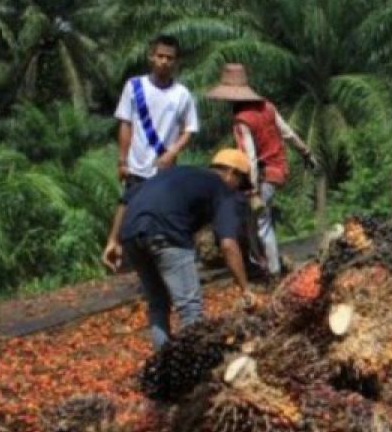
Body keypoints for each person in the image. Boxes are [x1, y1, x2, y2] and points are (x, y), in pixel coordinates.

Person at [101, 150, 255, 349]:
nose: (239, 191)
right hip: (167, 233)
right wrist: (245, 289)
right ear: (232, 173)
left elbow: (126, 199)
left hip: (131, 233)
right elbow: (228, 244)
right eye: (241, 184)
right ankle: (196, 369)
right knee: (190, 308)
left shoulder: (179, 172)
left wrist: (113, 240)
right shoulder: (222, 189)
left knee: (158, 303)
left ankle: (163, 365)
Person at [206, 63, 318, 277]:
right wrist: (306, 152)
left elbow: (250, 157)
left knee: (260, 225)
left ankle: (271, 272)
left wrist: (252, 188)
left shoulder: (241, 120)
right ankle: (264, 265)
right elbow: (287, 133)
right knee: (257, 223)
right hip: (279, 170)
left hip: (263, 175)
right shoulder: (267, 106)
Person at [114, 35, 199, 189]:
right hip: (135, 170)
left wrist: (172, 153)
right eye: (160, 56)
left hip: (164, 171)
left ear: (176, 62)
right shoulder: (134, 86)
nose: (164, 61)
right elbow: (125, 124)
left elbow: (190, 129)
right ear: (151, 57)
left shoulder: (182, 94)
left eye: (169, 58)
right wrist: (122, 161)